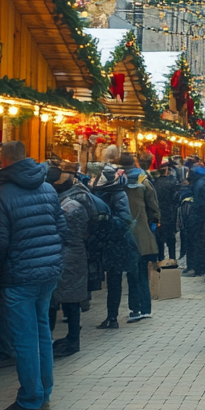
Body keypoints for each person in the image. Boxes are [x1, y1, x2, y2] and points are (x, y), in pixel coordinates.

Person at [0, 141, 65, 410]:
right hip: (48, 272)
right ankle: (43, 396)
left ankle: (30, 401)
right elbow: (61, 228)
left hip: (20, 274)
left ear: (4, 160)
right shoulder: (47, 187)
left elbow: (1, 242)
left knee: (24, 339)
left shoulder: (3, 193)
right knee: (42, 333)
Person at [47, 162, 91, 357]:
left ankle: (72, 340)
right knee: (67, 298)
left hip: (70, 257)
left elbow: (67, 234)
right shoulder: (71, 201)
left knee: (68, 300)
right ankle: (69, 338)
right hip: (73, 256)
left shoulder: (70, 206)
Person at [90, 165, 138, 329]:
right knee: (111, 279)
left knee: (114, 280)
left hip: (115, 243)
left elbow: (125, 220)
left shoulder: (117, 193)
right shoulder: (103, 192)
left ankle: (112, 317)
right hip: (106, 241)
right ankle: (111, 316)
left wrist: (106, 220)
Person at [121, 153, 159, 323]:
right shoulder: (144, 181)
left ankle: (135, 308)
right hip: (142, 233)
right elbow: (153, 206)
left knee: (131, 273)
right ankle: (146, 308)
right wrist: (154, 222)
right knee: (142, 271)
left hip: (125, 233)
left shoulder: (117, 182)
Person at [183, 162, 205, 277]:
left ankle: (198, 268)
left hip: (199, 218)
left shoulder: (199, 184)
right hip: (201, 217)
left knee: (197, 242)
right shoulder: (203, 181)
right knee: (199, 242)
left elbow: (199, 203)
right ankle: (198, 266)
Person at [148, 154, 180, 261]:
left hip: (158, 213)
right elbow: (176, 198)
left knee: (159, 239)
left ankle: (160, 260)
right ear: (166, 171)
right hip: (170, 213)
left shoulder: (154, 184)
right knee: (171, 239)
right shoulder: (172, 183)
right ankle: (172, 259)